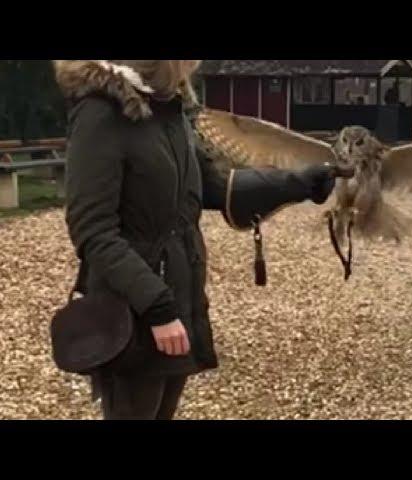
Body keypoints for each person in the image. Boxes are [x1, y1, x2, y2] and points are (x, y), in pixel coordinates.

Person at [54, 60, 337, 420]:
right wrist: (157, 308)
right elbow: (93, 232)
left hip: (179, 296)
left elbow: (210, 186)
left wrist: (294, 183)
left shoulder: (170, 109)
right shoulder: (100, 114)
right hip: (131, 312)